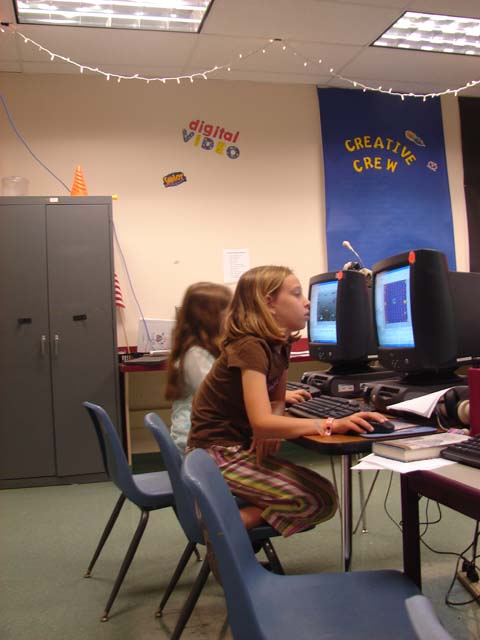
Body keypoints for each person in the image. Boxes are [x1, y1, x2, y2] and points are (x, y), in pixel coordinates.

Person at [188, 265, 389, 537]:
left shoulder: (279, 343)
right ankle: (223, 529)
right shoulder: (250, 345)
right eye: (296, 294)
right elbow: (261, 422)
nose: (307, 302)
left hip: (233, 447)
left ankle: (230, 525)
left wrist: (273, 424)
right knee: (318, 499)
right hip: (216, 454)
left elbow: (276, 401)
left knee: (323, 496)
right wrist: (330, 424)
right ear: (269, 303)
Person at [166, 282, 232, 452]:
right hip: (196, 441)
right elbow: (218, 398)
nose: (233, 315)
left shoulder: (205, 349)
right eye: (228, 310)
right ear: (209, 317)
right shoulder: (195, 355)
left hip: (204, 434)